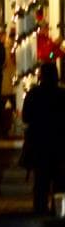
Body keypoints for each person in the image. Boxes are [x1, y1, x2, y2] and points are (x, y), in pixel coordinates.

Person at [21, 62, 65, 215]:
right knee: (60, 183)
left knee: (41, 183)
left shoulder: (34, 94)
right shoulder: (62, 94)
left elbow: (25, 117)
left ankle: (40, 211)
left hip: (40, 144)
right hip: (59, 144)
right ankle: (60, 213)